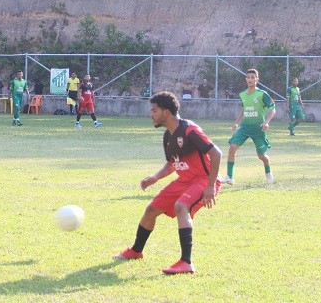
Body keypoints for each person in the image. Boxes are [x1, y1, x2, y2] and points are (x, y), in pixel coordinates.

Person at [112, 91, 221, 275]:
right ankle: (136, 251)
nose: (151, 114)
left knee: (181, 205)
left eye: (154, 110)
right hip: (184, 180)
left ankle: (186, 262)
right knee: (151, 210)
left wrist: (210, 186)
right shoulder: (167, 136)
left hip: (203, 180)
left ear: (167, 112)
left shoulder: (190, 130)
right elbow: (173, 164)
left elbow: (216, 153)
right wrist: (155, 177)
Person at [218, 69, 276, 185]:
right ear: (246, 79)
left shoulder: (262, 94)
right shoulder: (243, 94)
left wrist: (266, 122)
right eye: (248, 77)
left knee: (261, 156)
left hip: (258, 129)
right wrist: (236, 123)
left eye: (253, 77)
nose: (250, 79)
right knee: (232, 148)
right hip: (244, 128)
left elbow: (273, 109)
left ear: (257, 79)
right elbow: (244, 109)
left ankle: (268, 173)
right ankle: (229, 177)